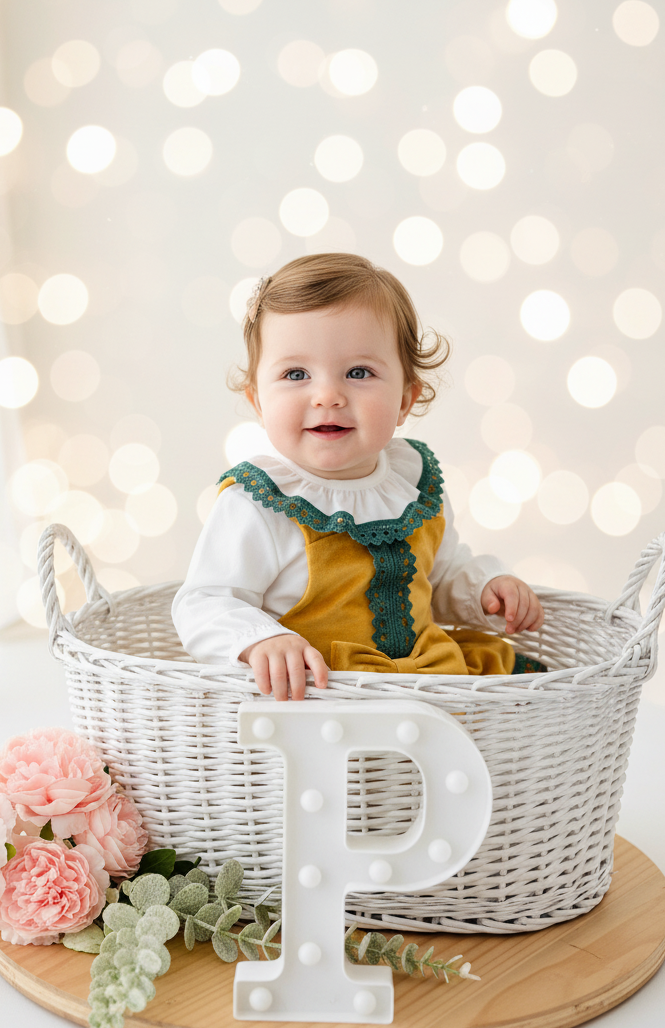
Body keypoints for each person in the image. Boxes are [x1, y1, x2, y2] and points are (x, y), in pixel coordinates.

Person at [172, 253, 545, 701]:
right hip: (316, 694)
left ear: (406, 399)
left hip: (426, 684)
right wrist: (259, 641)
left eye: (359, 372)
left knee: (514, 695)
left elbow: (439, 575)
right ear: (258, 400)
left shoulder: (414, 485)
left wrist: (485, 588)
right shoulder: (260, 503)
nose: (328, 395)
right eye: (296, 374)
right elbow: (205, 601)